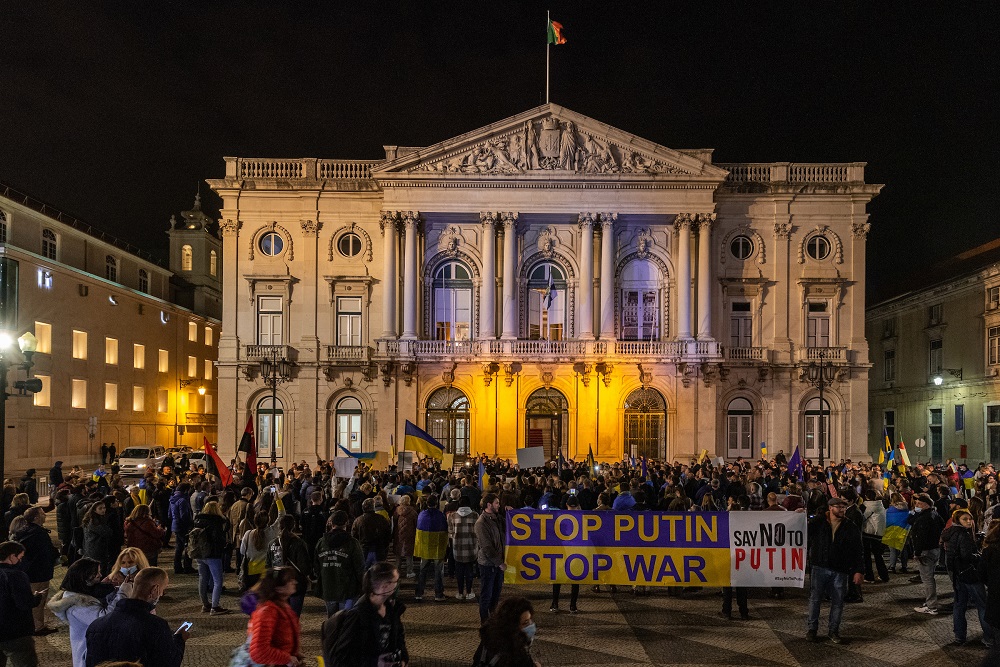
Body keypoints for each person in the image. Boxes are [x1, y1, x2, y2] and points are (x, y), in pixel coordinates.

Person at [85, 567, 187, 667]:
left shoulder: (96, 625)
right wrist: (179, 639)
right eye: (162, 590)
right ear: (155, 589)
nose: (161, 594)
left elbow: (90, 661)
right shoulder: (155, 625)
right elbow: (169, 662)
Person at [323, 561, 408, 667]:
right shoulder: (357, 616)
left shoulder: (392, 609)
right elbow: (341, 658)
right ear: (385, 586)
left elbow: (399, 637)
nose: (397, 585)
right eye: (396, 581)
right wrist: (375, 662)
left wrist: (404, 658)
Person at [804, 496, 864, 644]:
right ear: (830, 508)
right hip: (819, 566)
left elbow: (858, 549)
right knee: (815, 599)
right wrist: (799, 515)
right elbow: (803, 532)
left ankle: (833, 630)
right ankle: (812, 629)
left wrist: (858, 570)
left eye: (843, 507)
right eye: (839, 507)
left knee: (838, 602)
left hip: (840, 569)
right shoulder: (818, 522)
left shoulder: (850, 526)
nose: (842, 510)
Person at [46, 557, 121, 667]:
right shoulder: (78, 605)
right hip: (87, 655)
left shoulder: (83, 595)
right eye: (97, 573)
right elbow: (103, 620)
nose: (100, 575)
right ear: (85, 577)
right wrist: (121, 595)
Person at [942, 509, 993, 647]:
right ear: (957, 520)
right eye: (965, 519)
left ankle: (959, 636)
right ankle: (989, 638)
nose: (969, 521)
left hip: (958, 574)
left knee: (959, 606)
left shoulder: (950, 533)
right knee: (982, 605)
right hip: (970, 574)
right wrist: (980, 556)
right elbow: (966, 556)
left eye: (970, 519)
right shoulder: (962, 534)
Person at [11, 506, 59, 635]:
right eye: (43, 514)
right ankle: (37, 626)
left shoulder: (24, 531)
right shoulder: (38, 533)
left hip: (29, 571)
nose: (45, 516)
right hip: (39, 572)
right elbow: (46, 552)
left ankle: (33, 624)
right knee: (38, 600)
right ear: (36, 517)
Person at [246, 568, 304, 667]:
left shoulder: (282, 606)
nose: (295, 582)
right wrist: (287, 658)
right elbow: (259, 651)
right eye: (289, 580)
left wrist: (294, 653)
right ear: (278, 588)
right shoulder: (268, 611)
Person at [0, 541, 44, 667]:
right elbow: (24, 603)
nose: (21, 561)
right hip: (14, 633)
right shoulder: (16, 576)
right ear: (12, 556)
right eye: (20, 557)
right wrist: (36, 597)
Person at [315, 510, 365, 615]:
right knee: (346, 619)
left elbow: (316, 566)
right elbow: (359, 567)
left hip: (328, 586)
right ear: (346, 523)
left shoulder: (321, 542)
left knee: (332, 619)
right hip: (348, 588)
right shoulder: (352, 543)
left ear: (331, 523)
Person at [472, 596, 539, 667]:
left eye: (530, 619)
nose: (531, 625)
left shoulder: (487, 642)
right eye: (525, 623)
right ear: (513, 627)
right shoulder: (518, 656)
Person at [192, 500, 232, 615]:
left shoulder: (198, 520)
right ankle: (215, 606)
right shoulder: (216, 522)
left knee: (202, 578)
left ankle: (205, 604)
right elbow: (218, 539)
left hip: (200, 553)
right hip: (213, 554)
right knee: (217, 581)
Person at [909, 492, 945, 615]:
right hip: (934, 549)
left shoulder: (925, 518)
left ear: (926, 504)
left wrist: (917, 552)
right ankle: (930, 602)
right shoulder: (934, 514)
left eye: (919, 503)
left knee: (927, 578)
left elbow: (921, 537)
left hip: (926, 551)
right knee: (929, 577)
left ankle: (931, 605)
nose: (916, 505)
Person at [475, 493, 505, 622]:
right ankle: (485, 622)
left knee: (496, 594)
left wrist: (510, 512)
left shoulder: (496, 518)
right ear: (489, 505)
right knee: (486, 595)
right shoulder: (481, 523)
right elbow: (487, 547)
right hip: (488, 565)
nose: (499, 505)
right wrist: (499, 562)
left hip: (497, 564)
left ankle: (493, 619)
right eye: (497, 503)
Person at [414, 493, 448, 602]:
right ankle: (438, 594)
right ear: (436, 503)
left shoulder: (422, 515)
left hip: (425, 548)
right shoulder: (440, 515)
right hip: (438, 548)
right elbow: (445, 531)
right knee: (438, 571)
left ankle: (419, 593)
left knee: (423, 570)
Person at [447, 496, 478, 601]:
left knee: (459, 571)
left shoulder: (452, 516)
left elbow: (450, 532)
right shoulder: (475, 515)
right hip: (471, 546)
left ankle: (460, 592)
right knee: (469, 570)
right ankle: (469, 592)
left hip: (458, 546)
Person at [351, 498, 391, 567]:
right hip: (378, 549)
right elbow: (387, 535)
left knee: (364, 572)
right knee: (378, 572)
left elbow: (354, 536)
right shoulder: (381, 519)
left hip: (364, 549)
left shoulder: (358, 520)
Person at [81, 501, 115, 579]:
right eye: (100, 508)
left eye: (104, 508)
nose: (103, 510)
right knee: (99, 570)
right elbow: (107, 532)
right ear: (94, 510)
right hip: (96, 549)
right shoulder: (94, 522)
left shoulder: (95, 519)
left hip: (94, 548)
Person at [168, 483, 195, 575]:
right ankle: (187, 566)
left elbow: (170, 514)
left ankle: (177, 567)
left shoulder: (172, 499)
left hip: (175, 525)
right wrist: (190, 524)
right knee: (187, 546)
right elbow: (184, 515)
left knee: (179, 548)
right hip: (183, 526)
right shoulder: (183, 500)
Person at [392, 496, 418, 578]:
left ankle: (397, 571)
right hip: (410, 534)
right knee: (409, 554)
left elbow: (394, 522)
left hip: (398, 534)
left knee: (398, 554)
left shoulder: (396, 511)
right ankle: (409, 571)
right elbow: (416, 523)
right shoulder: (413, 512)